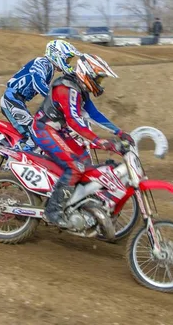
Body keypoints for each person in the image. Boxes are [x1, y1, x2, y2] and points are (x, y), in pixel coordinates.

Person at [31, 53, 134, 228]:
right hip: (44, 129)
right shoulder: (67, 88)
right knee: (75, 167)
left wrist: (119, 132)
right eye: (99, 78)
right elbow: (74, 121)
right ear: (87, 73)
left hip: (59, 131)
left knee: (85, 162)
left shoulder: (79, 89)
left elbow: (94, 114)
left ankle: (76, 204)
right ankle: (53, 211)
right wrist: (99, 141)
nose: (100, 83)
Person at [0, 40, 80, 150]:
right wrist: (54, 99)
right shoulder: (42, 62)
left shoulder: (50, 68)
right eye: (67, 59)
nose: (68, 62)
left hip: (18, 101)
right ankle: (15, 159)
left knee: (39, 130)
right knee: (34, 135)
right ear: (57, 55)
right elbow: (37, 81)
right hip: (11, 99)